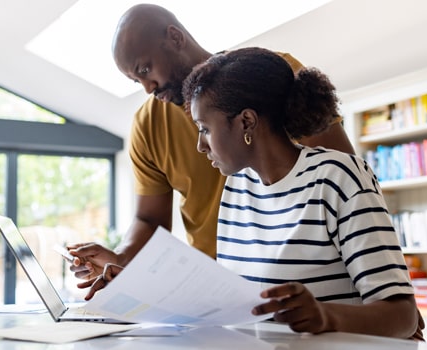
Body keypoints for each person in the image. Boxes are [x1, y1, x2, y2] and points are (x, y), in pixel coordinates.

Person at [80, 47, 424, 340]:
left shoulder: (339, 177)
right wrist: (139, 288)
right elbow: (233, 303)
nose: (200, 145)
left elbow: (403, 316)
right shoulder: (237, 189)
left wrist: (324, 316)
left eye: (205, 129)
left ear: (246, 122)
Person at [67, 3, 355, 281]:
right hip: (216, 286)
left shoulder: (270, 77)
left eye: (145, 70)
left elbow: (343, 176)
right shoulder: (147, 125)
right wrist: (120, 258)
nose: (147, 88)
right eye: (135, 81)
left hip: (300, 273)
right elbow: (150, 220)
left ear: (175, 38)